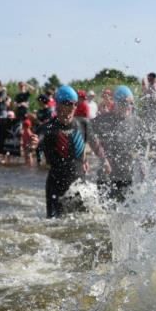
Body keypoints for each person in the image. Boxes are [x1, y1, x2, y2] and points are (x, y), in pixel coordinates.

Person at [26, 84, 106, 218]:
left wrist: (105, 161)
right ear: (57, 105)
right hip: (56, 188)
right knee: (55, 228)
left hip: (79, 187)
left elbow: (94, 144)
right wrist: (32, 145)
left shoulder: (83, 124)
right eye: (67, 104)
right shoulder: (48, 127)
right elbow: (35, 142)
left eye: (74, 104)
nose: (72, 108)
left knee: (83, 225)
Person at [91, 85, 143, 202]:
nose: (128, 107)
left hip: (127, 175)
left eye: (131, 103)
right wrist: (99, 157)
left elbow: (141, 145)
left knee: (125, 214)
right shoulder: (101, 120)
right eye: (125, 103)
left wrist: (141, 163)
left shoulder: (136, 122)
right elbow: (85, 134)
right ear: (116, 102)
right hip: (106, 177)